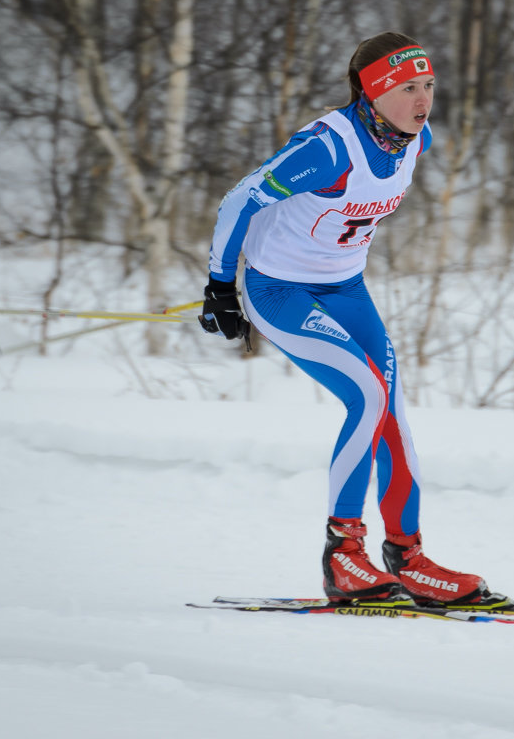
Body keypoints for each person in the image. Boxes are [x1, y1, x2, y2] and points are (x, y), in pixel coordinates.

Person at [199, 32, 495, 607]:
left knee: (392, 408)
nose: (423, 100)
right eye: (408, 87)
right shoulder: (327, 149)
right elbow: (239, 200)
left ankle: (407, 559)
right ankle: (343, 556)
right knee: (366, 394)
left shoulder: (416, 140)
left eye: (428, 85)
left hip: (345, 288)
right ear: (372, 92)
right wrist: (219, 285)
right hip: (278, 290)